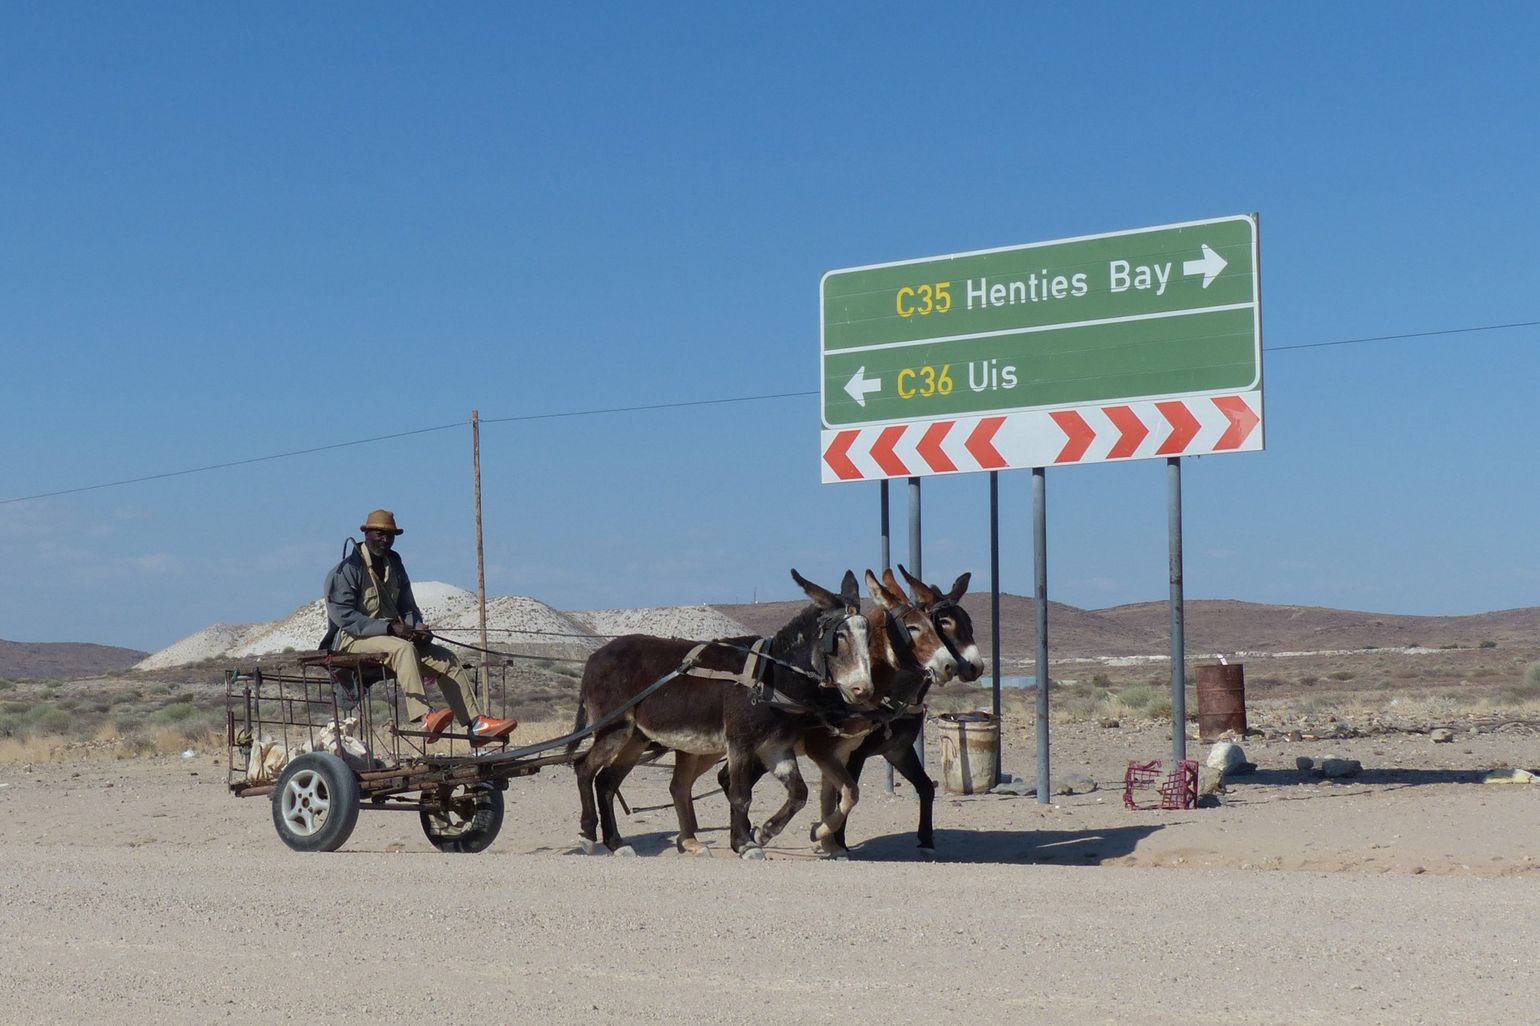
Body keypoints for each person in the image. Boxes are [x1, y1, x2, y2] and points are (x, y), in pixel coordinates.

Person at [321, 509, 516, 747]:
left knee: (447, 659)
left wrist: (419, 630)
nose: (385, 540)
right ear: (366, 533)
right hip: (352, 639)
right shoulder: (346, 571)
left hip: (395, 639)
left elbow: (408, 607)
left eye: (390, 535)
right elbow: (345, 617)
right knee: (403, 649)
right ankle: (425, 717)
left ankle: (476, 726)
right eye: (379, 534)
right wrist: (390, 629)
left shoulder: (395, 565)